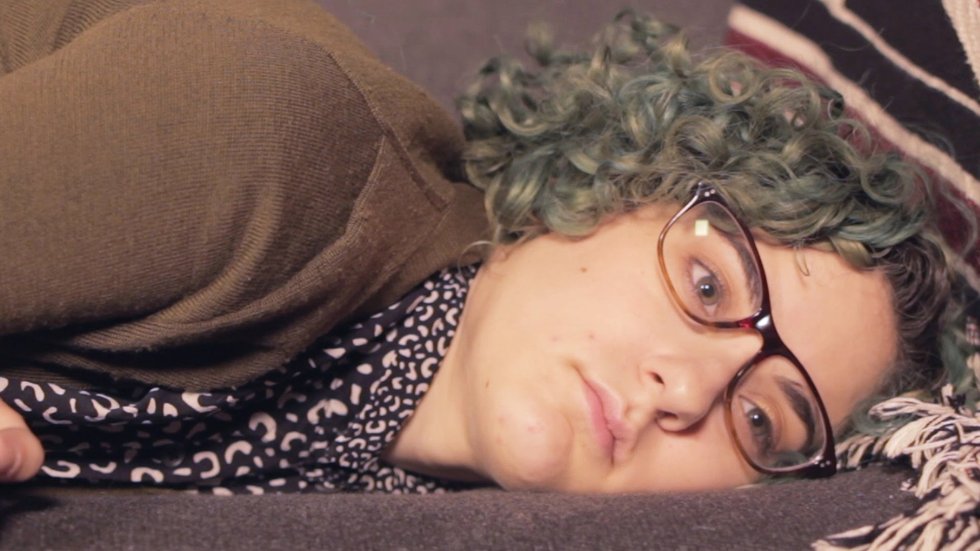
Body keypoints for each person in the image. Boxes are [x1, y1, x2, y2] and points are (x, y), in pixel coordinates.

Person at [0, 1, 970, 494]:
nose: (687, 389)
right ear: (605, 183)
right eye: (710, 283)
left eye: (761, 420)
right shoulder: (285, 145)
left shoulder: (384, 477)